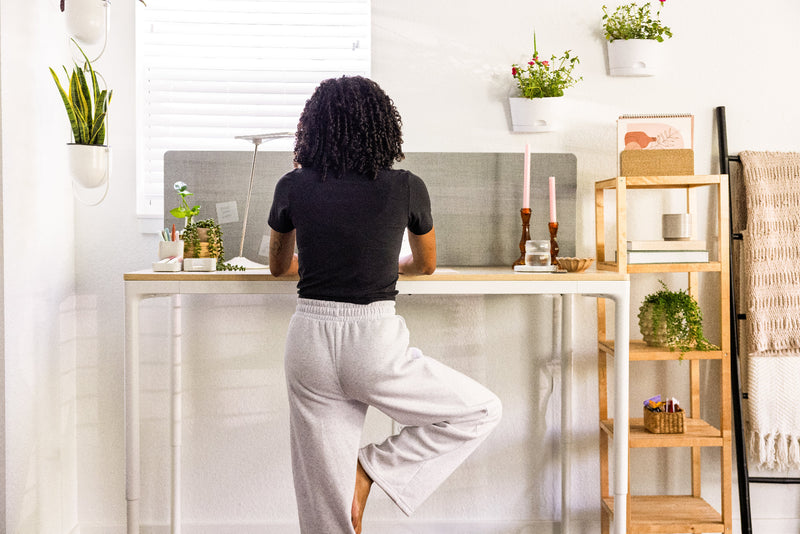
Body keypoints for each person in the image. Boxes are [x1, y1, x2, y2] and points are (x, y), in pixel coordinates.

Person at [267, 75, 502, 534]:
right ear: (382, 128)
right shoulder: (406, 186)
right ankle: (371, 469)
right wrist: (380, 262)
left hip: (309, 340)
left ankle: (353, 481)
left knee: (324, 513)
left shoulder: (292, 185)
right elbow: (425, 264)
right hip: (374, 342)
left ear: (312, 129)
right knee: (479, 410)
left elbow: (280, 267)